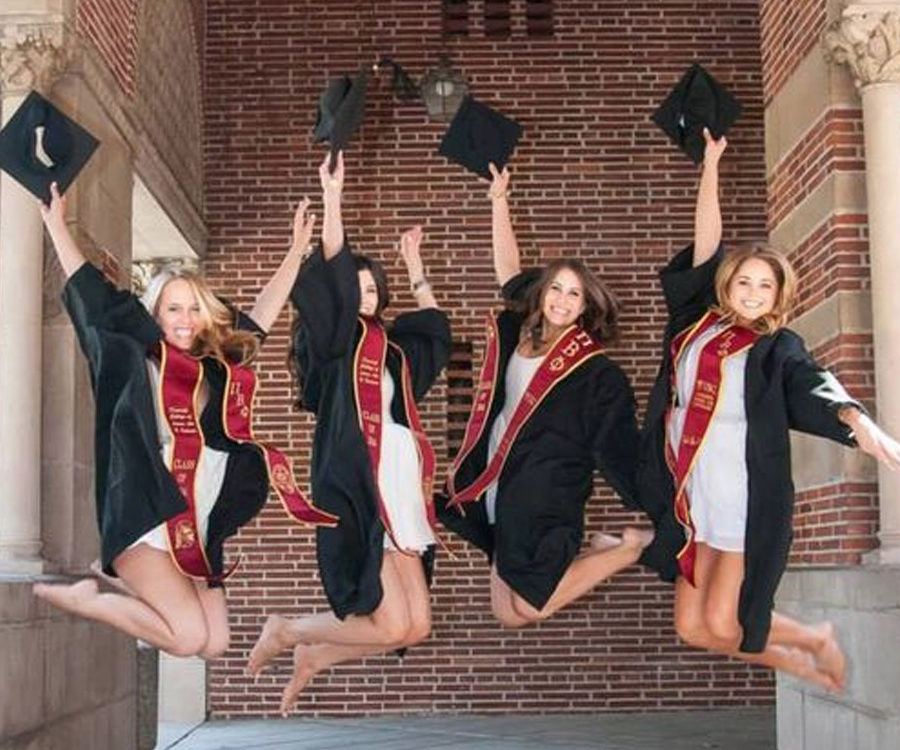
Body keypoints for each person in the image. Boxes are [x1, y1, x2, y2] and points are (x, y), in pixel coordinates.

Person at [638, 130, 900, 691]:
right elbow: (706, 242)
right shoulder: (693, 324)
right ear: (726, 285)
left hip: (741, 495)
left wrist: (857, 420)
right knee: (690, 627)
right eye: (744, 281)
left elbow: (815, 385)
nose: (754, 292)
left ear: (778, 295)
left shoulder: (775, 348)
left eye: (766, 285)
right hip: (691, 492)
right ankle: (807, 647)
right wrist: (711, 166)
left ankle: (812, 643)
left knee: (720, 623)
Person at [33, 181, 329, 659]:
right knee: (189, 637)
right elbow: (92, 295)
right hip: (148, 517)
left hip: (199, 522)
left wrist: (296, 251)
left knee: (216, 644)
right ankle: (92, 599)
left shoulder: (217, 368)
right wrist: (56, 224)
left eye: (194, 308)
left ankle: (121, 592)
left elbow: (261, 316)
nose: (186, 319)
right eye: (173, 309)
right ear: (155, 313)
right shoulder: (134, 360)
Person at [247, 153, 452, 714]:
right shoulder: (334, 345)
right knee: (389, 621)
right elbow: (333, 274)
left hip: (401, 487)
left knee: (415, 627)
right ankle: (287, 630)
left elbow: (436, 336)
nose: (364, 295)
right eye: (355, 288)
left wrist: (416, 268)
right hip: (360, 483)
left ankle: (314, 656)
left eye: (372, 289)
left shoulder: (392, 352)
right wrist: (332, 197)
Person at [436, 163, 652, 629]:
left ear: (585, 306)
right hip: (499, 474)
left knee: (532, 602)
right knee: (508, 612)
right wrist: (499, 201)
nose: (562, 300)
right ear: (542, 294)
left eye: (574, 294)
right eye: (556, 288)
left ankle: (629, 549)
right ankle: (609, 551)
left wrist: (652, 495)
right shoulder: (519, 333)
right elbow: (508, 270)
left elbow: (614, 442)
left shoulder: (594, 371)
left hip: (546, 487)